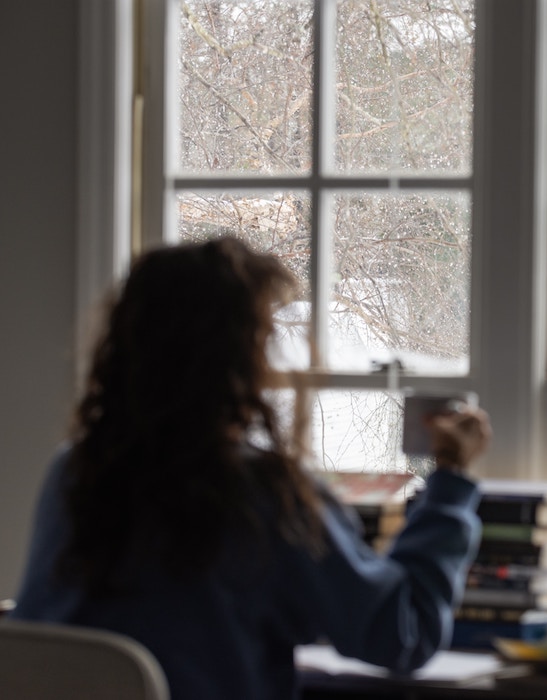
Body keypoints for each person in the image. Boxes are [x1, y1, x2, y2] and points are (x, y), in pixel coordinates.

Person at [8, 237, 490, 699]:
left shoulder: (75, 473)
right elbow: (401, 634)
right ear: (240, 358)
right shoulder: (262, 494)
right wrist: (451, 478)